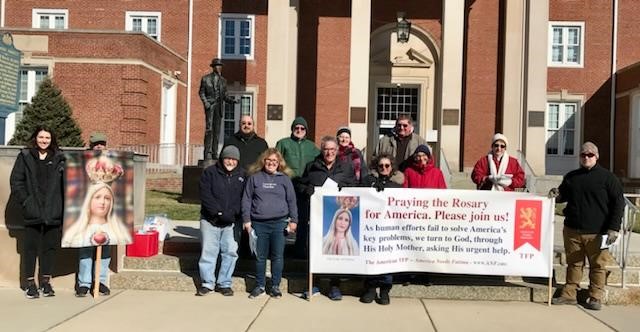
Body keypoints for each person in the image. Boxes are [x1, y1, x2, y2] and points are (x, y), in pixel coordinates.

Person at [549, 142, 624, 311]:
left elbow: (618, 204)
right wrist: (557, 194)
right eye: (583, 155)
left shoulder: (608, 178)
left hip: (598, 232)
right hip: (572, 230)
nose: (586, 158)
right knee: (574, 264)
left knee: (598, 266)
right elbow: (563, 195)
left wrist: (614, 228)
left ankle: (595, 297)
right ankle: (569, 295)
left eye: (590, 155)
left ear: (596, 157)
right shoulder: (571, 177)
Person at [10, 126, 65, 299]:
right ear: (35, 138)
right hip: (32, 210)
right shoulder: (25, 156)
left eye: (47, 138)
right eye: (41, 137)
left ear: (52, 140)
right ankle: (29, 283)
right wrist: (26, 201)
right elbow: (16, 181)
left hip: (53, 211)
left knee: (49, 248)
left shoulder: (59, 158)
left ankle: (45, 282)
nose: (44, 141)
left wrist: (62, 206)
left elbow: (67, 184)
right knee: (30, 249)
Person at [298, 136, 356, 301]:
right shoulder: (312, 166)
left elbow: (355, 187)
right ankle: (313, 284)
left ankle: (334, 286)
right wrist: (307, 189)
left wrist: (345, 189)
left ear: (337, 151)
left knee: (336, 251)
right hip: (317, 218)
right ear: (321, 150)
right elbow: (301, 185)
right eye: (326, 149)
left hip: (337, 217)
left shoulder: (345, 167)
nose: (329, 152)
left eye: (332, 149)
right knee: (314, 250)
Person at [242, 148, 298, 299]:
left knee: (277, 257)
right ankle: (260, 285)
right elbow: (246, 199)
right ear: (263, 161)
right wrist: (246, 220)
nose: (271, 163)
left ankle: (275, 286)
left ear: (279, 163)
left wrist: (294, 220)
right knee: (260, 257)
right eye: (269, 160)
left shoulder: (285, 179)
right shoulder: (254, 178)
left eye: (275, 161)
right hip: (259, 223)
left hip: (280, 223)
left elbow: (292, 201)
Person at [197, 146, 246, 297]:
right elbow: (205, 195)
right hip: (210, 220)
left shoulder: (243, 175)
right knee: (208, 252)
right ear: (222, 158)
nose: (230, 161)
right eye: (228, 158)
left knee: (230, 252)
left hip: (232, 221)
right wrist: (217, 212)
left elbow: (245, 198)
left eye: (233, 159)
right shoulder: (210, 173)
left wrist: (233, 214)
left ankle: (224, 283)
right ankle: (207, 283)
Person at [73, 132, 114, 297]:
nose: (99, 146)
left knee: (104, 248)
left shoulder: (113, 162)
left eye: (101, 144)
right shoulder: (84, 162)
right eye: (96, 144)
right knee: (86, 247)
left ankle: (101, 281)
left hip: (106, 210)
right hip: (87, 211)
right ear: (91, 146)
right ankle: (84, 283)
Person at [359, 154, 403, 305]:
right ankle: (370, 288)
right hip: (371, 227)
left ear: (392, 167)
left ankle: (384, 290)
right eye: (381, 166)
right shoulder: (368, 181)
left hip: (389, 228)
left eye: (387, 166)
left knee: (387, 258)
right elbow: (357, 193)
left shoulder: (397, 186)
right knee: (371, 257)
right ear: (376, 167)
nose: (384, 168)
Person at [276, 116, 319, 257]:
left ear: (306, 130)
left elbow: (318, 165)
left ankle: (300, 249)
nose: (299, 130)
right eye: (296, 128)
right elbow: (276, 161)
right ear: (292, 129)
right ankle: (279, 249)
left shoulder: (312, 147)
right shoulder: (283, 143)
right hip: (286, 185)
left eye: (302, 128)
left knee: (302, 218)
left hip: (303, 188)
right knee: (283, 217)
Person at [61, 159, 129, 248]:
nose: (102, 202)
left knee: (105, 254)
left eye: (107, 198)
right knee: (85, 253)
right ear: (89, 200)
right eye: (97, 197)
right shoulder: (76, 231)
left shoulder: (118, 230)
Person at [199, 57, 237, 161]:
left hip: (219, 108)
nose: (219, 68)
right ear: (213, 67)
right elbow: (201, 92)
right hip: (210, 106)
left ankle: (215, 153)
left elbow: (225, 95)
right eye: (217, 66)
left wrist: (232, 101)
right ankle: (207, 153)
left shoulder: (223, 81)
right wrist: (206, 102)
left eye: (220, 66)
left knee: (217, 131)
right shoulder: (205, 78)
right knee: (209, 130)